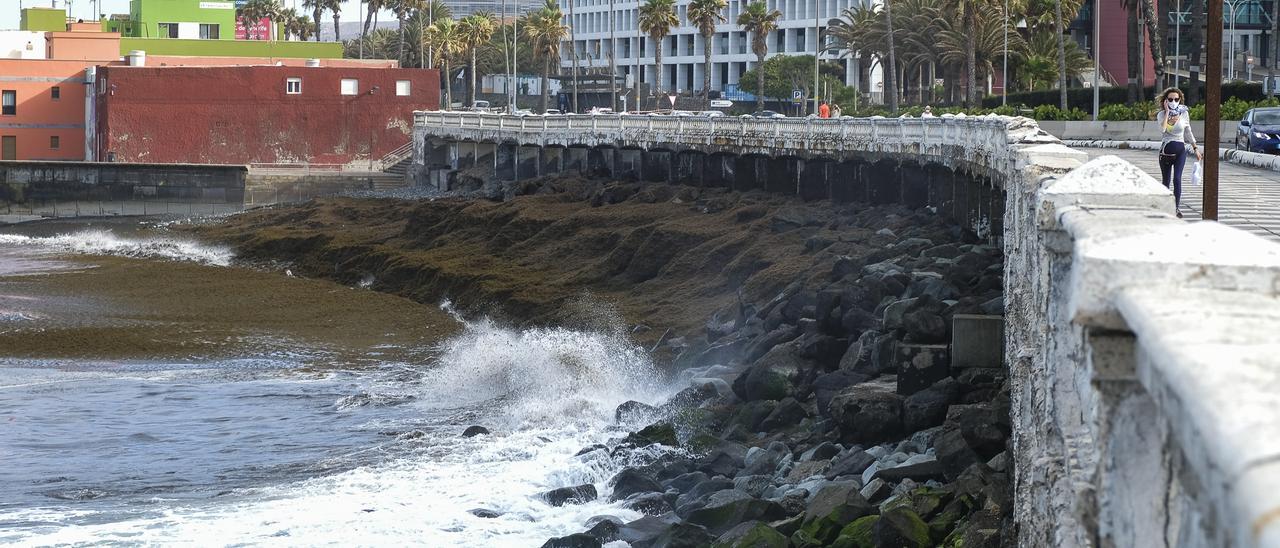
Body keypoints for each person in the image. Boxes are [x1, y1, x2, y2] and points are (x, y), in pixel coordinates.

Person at [1156, 87, 1201, 218]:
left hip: (1180, 150)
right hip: (1165, 152)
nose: (1174, 101)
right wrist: (1167, 112)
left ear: (1180, 99)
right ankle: (1165, 207)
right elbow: (1163, 130)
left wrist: (1195, 148)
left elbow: (1188, 131)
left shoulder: (1184, 113)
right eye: (1170, 99)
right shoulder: (1161, 115)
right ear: (1165, 101)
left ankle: (1175, 208)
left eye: (1176, 99)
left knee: (1177, 179)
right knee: (1166, 181)